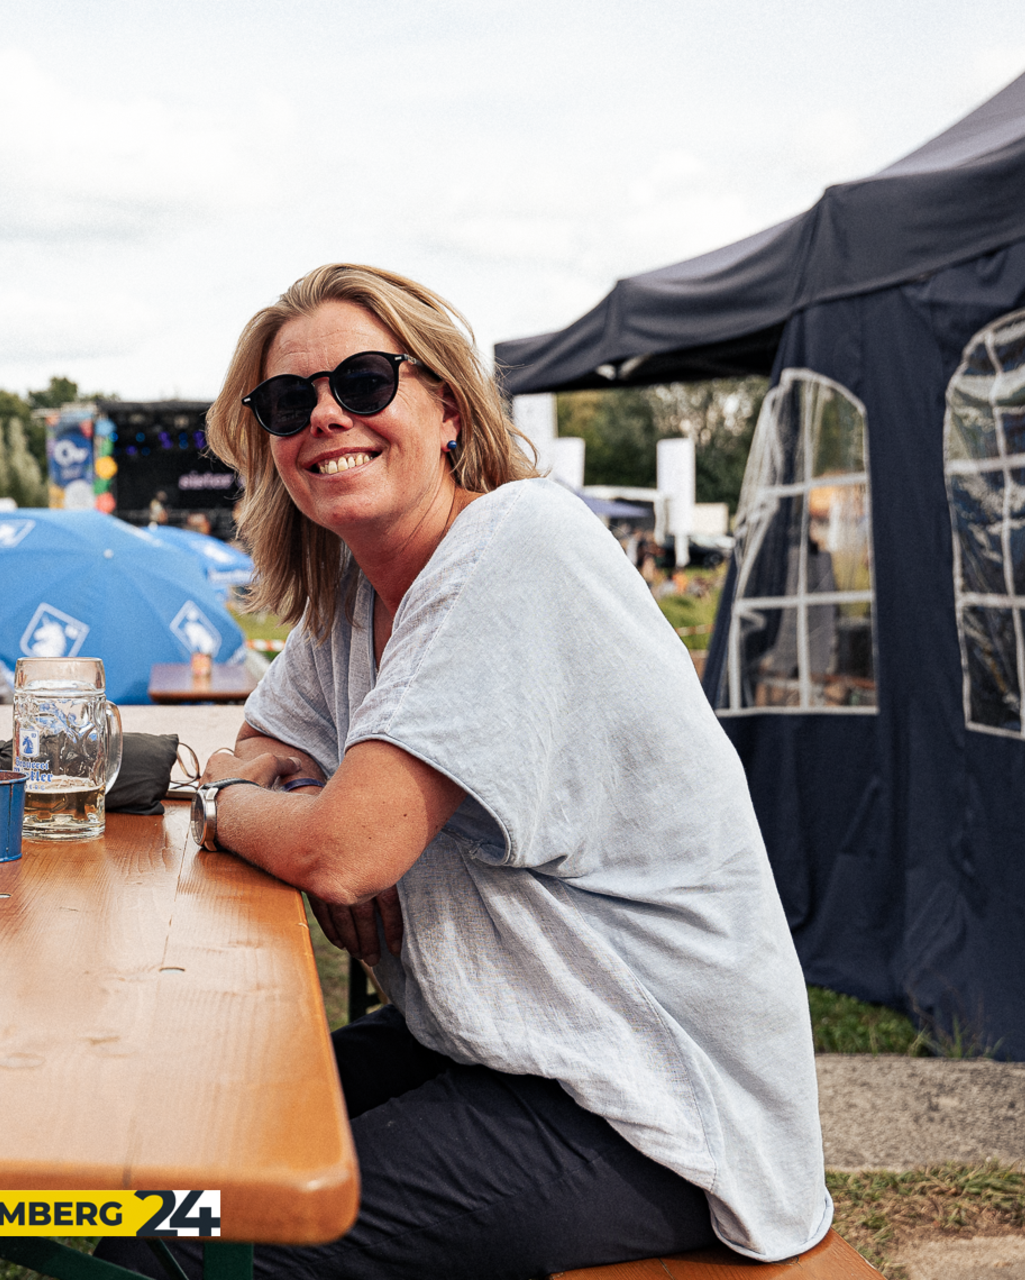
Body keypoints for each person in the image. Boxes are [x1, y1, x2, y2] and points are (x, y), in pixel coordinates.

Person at [100, 265, 828, 1280]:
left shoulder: (515, 544)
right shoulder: (356, 594)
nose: (323, 415)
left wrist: (232, 807)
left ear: (445, 407)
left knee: (196, 1240)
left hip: (646, 1101)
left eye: (361, 381)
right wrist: (289, 803)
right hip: (497, 1039)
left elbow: (340, 846)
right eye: (287, 400)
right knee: (161, 1152)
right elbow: (266, 747)